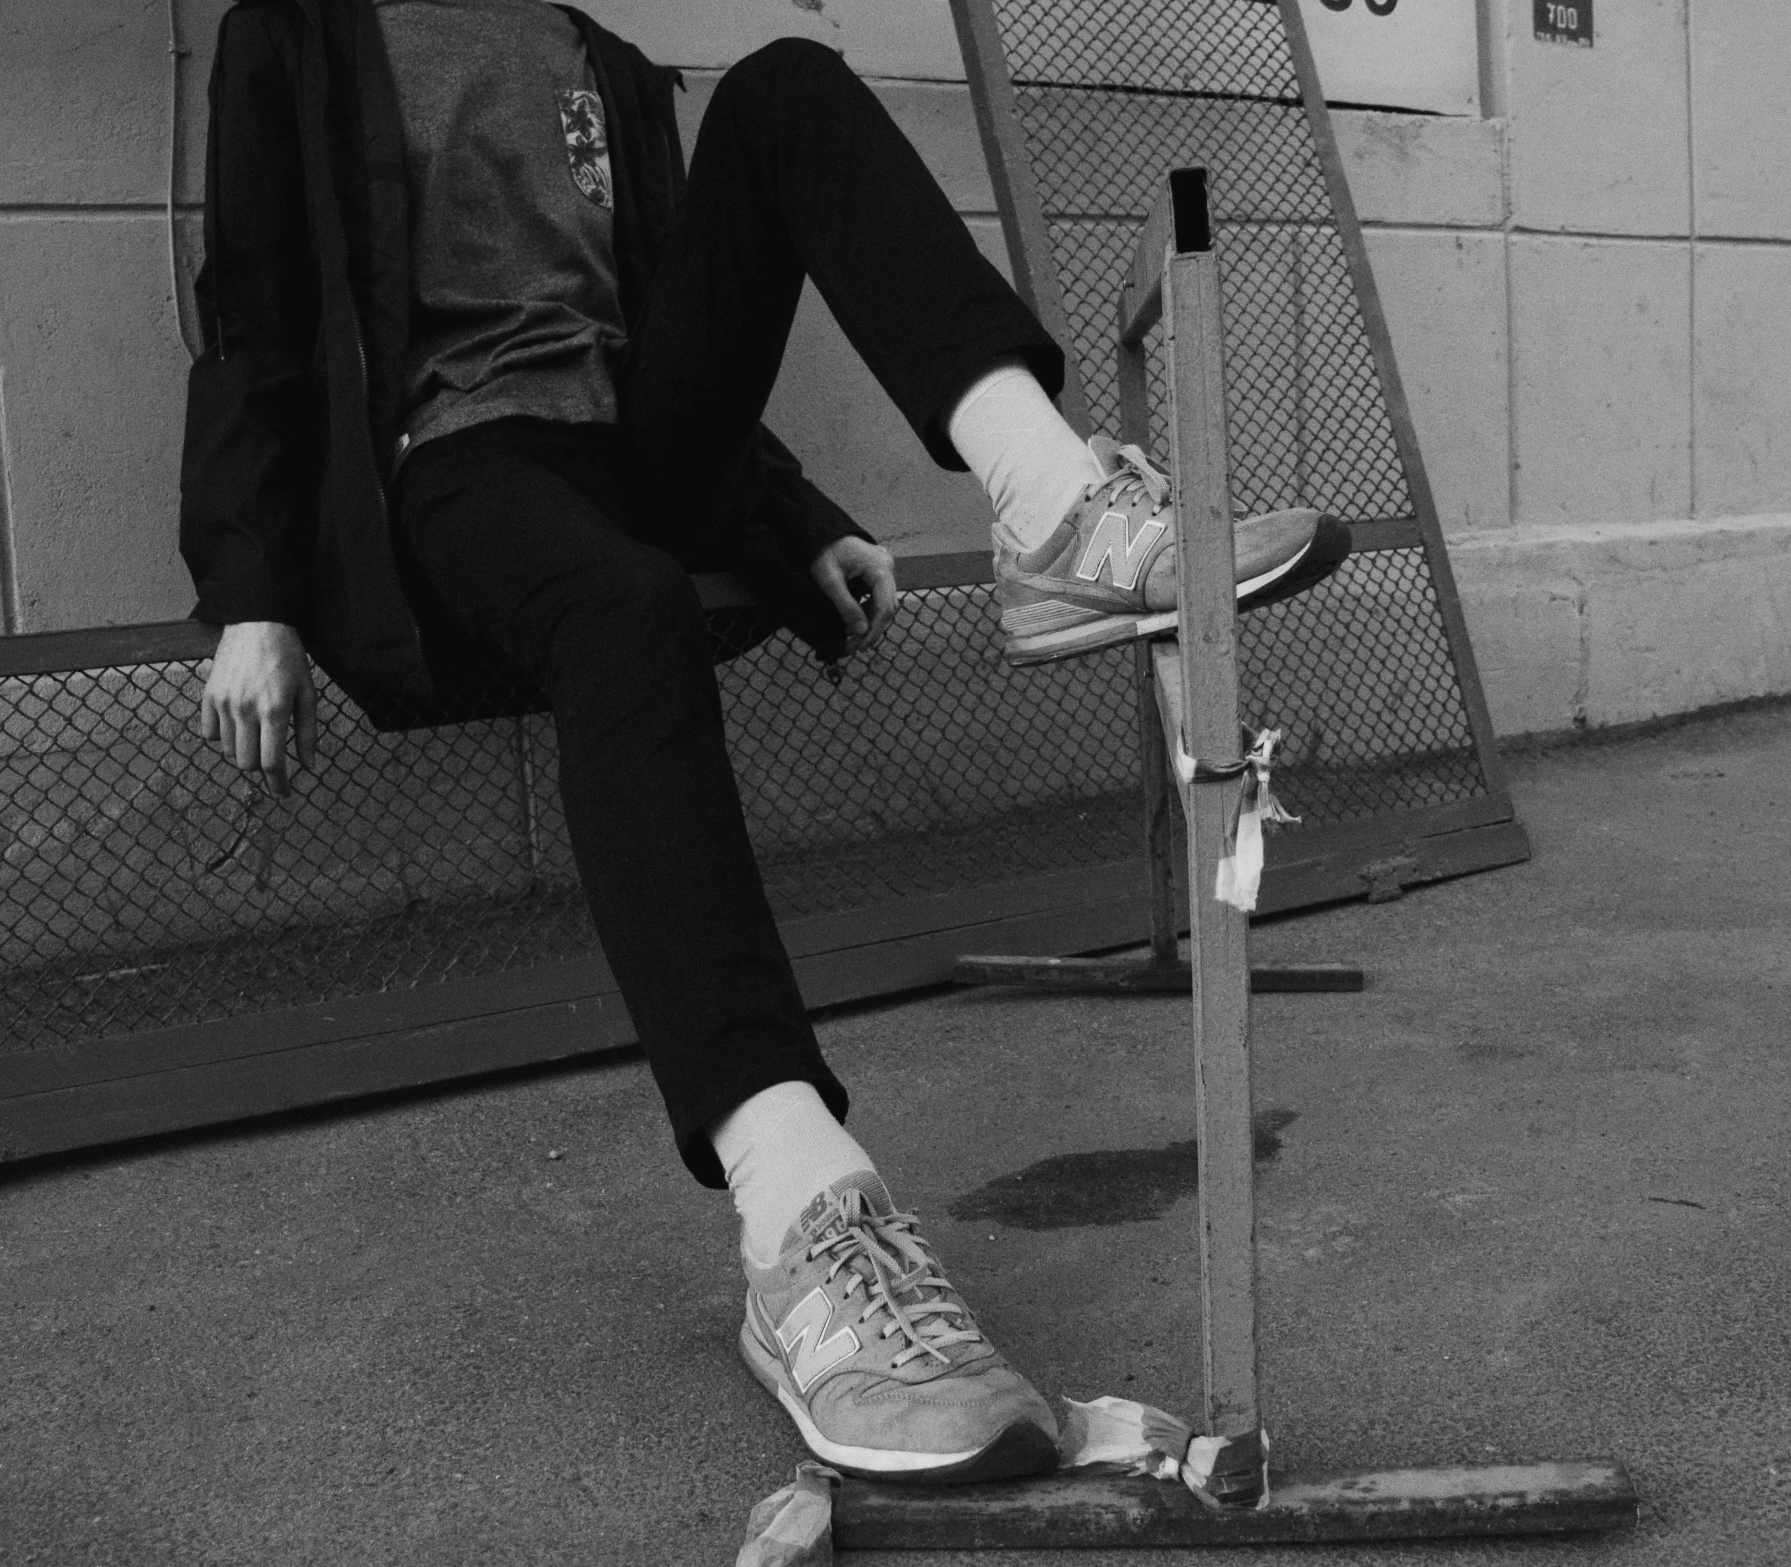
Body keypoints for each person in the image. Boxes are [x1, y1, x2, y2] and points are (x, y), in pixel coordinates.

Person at [179, 0, 1324, 1484]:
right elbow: (257, 313)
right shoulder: (305, 32)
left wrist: (797, 523)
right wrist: (249, 593)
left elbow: (664, 321)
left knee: (784, 88)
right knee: (622, 607)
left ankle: (1049, 503)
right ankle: (798, 1221)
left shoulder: (597, 62)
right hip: (461, 457)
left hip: (634, 443)